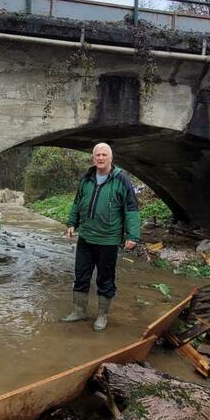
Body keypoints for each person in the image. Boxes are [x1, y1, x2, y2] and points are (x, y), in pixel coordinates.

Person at [62, 142, 140, 331]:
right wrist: (72, 224)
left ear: (111, 158)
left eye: (104, 155)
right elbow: (77, 202)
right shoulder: (87, 178)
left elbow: (131, 209)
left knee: (105, 279)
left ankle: (102, 316)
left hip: (108, 240)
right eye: (97, 155)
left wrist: (132, 235)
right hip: (86, 238)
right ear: (93, 157)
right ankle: (79, 311)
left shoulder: (121, 180)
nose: (100, 158)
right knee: (81, 275)